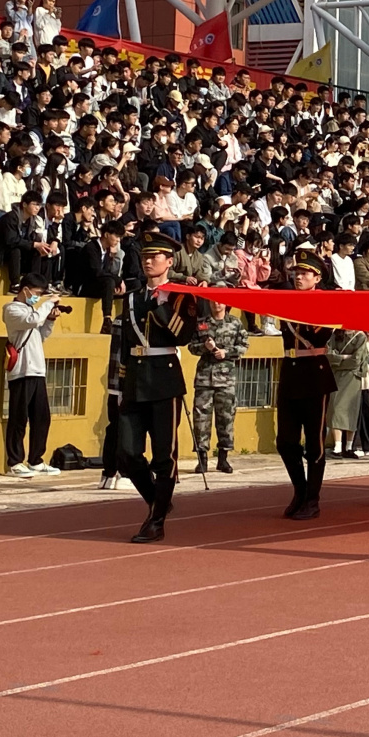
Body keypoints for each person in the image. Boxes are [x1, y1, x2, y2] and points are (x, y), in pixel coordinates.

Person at [109, 232, 190, 542]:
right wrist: (119, 387)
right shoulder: (131, 297)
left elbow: (180, 334)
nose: (147, 261)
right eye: (144, 256)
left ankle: (156, 521)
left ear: (169, 262)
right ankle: (159, 501)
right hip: (135, 379)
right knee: (126, 453)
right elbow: (127, 342)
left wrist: (162, 304)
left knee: (163, 455)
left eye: (155, 256)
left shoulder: (181, 296)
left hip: (164, 377)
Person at [274, 250, 337, 519]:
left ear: (317, 277)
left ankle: (313, 498)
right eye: (296, 273)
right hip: (290, 373)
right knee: (285, 441)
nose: (298, 277)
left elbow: (319, 331)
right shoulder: (286, 301)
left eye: (304, 273)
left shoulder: (326, 303)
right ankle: (300, 489)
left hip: (315, 375)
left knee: (315, 443)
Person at [1, 273, 66, 476]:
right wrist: (48, 303)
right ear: (26, 289)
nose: (37, 297)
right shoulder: (12, 310)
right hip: (21, 371)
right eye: (37, 293)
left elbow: (41, 333)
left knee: (41, 417)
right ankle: (15, 461)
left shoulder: (32, 311)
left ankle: (36, 459)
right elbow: (33, 319)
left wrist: (51, 320)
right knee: (18, 417)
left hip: (38, 369)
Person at [189, 299, 249, 474]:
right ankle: (202, 459)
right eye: (213, 301)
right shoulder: (201, 323)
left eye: (220, 301)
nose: (216, 304)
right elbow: (191, 346)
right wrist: (204, 347)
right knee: (201, 420)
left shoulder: (235, 323)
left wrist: (227, 352)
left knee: (226, 419)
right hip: (204, 378)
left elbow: (244, 345)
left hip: (226, 379)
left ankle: (223, 458)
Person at [326, 326, 369, 459]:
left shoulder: (360, 336)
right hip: (337, 376)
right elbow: (328, 354)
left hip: (352, 377)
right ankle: (338, 446)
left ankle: (349, 446)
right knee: (335, 409)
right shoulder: (335, 335)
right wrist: (344, 358)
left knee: (351, 410)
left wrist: (339, 360)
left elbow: (356, 360)